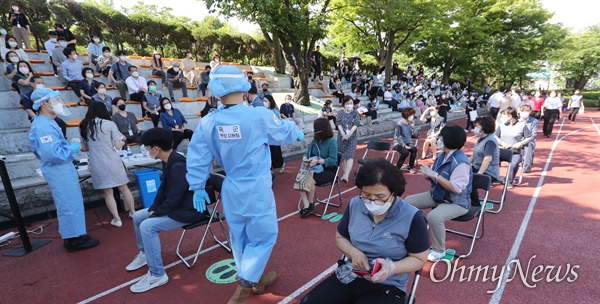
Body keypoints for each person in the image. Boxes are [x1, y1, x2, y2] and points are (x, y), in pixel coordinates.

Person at [185, 65, 303, 303]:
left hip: (231, 186)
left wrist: (197, 186)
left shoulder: (209, 122)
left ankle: (253, 277)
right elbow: (284, 132)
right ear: (243, 85)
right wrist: (295, 129)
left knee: (238, 235)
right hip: (256, 186)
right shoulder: (258, 115)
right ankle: (246, 283)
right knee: (264, 234)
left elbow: (197, 157)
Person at [301, 159, 429, 304]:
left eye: (380, 197)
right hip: (350, 274)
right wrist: (354, 253)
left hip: (387, 284)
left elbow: (419, 259)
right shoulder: (355, 204)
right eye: (367, 195)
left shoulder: (412, 217)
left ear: (394, 192)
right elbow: (341, 238)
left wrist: (391, 268)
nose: (372, 202)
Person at [126, 127, 205, 293]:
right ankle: (145, 254)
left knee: (147, 226)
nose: (146, 151)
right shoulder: (168, 160)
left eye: (147, 148)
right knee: (138, 217)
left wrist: (158, 212)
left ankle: (157, 274)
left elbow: (174, 197)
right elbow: (163, 190)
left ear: (156, 149)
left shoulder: (178, 165)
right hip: (177, 206)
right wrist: (154, 208)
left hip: (189, 211)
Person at [28, 88, 99, 252]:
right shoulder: (42, 127)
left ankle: (77, 234)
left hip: (62, 170)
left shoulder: (48, 122)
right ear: (44, 104)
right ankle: (73, 240)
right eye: (55, 100)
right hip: (58, 170)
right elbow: (52, 154)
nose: (59, 103)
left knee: (72, 202)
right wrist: (72, 149)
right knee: (68, 204)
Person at [405, 125, 471, 262]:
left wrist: (434, 175)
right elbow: (435, 177)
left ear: (448, 140)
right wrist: (428, 175)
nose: (438, 140)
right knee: (407, 202)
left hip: (456, 202)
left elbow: (455, 188)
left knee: (434, 216)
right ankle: (413, 234)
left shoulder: (461, 162)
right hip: (438, 195)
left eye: (440, 138)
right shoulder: (442, 156)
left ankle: (439, 250)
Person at [79, 102, 135, 227]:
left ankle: (117, 219)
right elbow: (118, 146)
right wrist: (122, 139)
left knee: (108, 192)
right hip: (112, 159)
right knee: (124, 188)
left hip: (96, 162)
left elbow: (84, 147)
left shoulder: (83, 125)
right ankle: (132, 212)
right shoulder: (109, 124)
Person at [297, 118, 338, 218]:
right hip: (314, 168)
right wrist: (305, 158)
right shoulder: (315, 140)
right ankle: (307, 204)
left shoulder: (331, 142)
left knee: (309, 179)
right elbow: (308, 152)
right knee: (300, 178)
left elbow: (333, 161)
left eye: (315, 128)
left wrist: (318, 161)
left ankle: (310, 203)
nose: (313, 130)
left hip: (328, 170)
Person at [494, 107, 533, 188]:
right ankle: (492, 178)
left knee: (514, 164)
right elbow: (494, 136)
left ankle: (509, 181)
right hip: (502, 150)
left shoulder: (522, 126)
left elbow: (529, 137)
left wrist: (520, 143)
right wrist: (502, 143)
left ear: (510, 116)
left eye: (503, 115)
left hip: (514, 151)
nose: (502, 118)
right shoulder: (501, 126)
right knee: (491, 160)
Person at [336, 96, 361, 183]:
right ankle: (345, 172)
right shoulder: (340, 113)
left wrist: (350, 133)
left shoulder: (355, 113)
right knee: (342, 155)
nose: (349, 105)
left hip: (352, 137)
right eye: (347, 103)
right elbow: (338, 123)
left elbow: (356, 123)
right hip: (341, 136)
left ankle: (346, 175)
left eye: (351, 103)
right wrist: (343, 133)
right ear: (343, 104)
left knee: (350, 155)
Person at [470, 116, 500, 180]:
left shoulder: (490, 141)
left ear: (484, 127)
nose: (475, 128)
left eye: (477, 126)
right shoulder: (481, 138)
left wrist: (479, 174)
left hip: (489, 172)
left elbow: (487, 159)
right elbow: (474, 155)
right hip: (477, 167)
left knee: (467, 178)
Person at [264, 95, 285, 174]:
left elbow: (278, 123)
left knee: (275, 152)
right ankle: (269, 169)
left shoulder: (274, 111)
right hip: (266, 135)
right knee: (267, 153)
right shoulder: (263, 111)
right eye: (263, 101)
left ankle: (281, 164)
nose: (264, 103)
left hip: (274, 135)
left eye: (266, 101)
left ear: (270, 102)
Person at [393, 108, 418, 174]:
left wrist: (412, 127)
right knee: (405, 152)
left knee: (414, 149)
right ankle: (397, 168)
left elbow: (413, 134)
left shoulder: (410, 123)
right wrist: (405, 146)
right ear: (407, 115)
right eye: (411, 115)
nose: (412, 116)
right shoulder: (399, 124)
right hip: (398, 143)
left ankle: (411, 167)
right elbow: (399, 137)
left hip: (408, 142)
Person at [519, 105, 538, 173]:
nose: (525, 112)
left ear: (530, 112)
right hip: (518, 141)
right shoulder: (516, 121)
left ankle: (527, 165)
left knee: (528, 145)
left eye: (527, 111)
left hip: (529, 141)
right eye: (523, 110)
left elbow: (534, 134)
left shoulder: (534, 121)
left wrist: (525, 141)